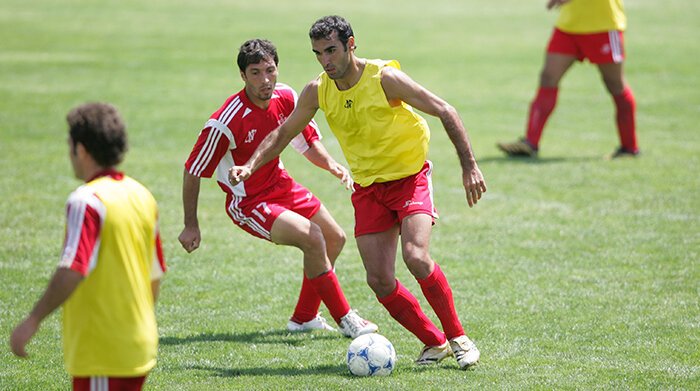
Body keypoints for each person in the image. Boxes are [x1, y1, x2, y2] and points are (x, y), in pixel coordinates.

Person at [229, 16, 486, 369]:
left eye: (331, 50)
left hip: (410, 179)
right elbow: (283, 133)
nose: (326, 61)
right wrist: (250, 165)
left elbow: (445, 110)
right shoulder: (317, 90)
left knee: (416, 256)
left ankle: (458, 338)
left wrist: (469, 165)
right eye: (318, 53)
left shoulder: (385, 79)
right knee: (379, 281)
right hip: (369, 189)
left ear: (351, 44)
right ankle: (434, 342)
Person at [178, 39, 377, 338]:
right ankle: (346, 318)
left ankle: (304, 318)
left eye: (270, 70)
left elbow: (305, 141)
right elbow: (193, 170)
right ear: (243, 76)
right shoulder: (224, 122)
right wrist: (190, 225)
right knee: (312, 237)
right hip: (248, 202)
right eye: (255, 73)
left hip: (281, 185)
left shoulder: (285, 96)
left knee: (334, 238)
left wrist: (333, 166)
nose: (265, 80)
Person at [10, 102, 166, 391]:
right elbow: (154, 274)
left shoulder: (86, 201)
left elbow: (73, 267)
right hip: (138, 343)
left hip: (104, 352)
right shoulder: (141, 195)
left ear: (81, 149)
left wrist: (32, 320)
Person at [497, 0, 639, 158]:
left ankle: (629, 147)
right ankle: (530, 143)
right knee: (548, 77)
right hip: (569, 26)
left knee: (614, 84)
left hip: (603, 25)